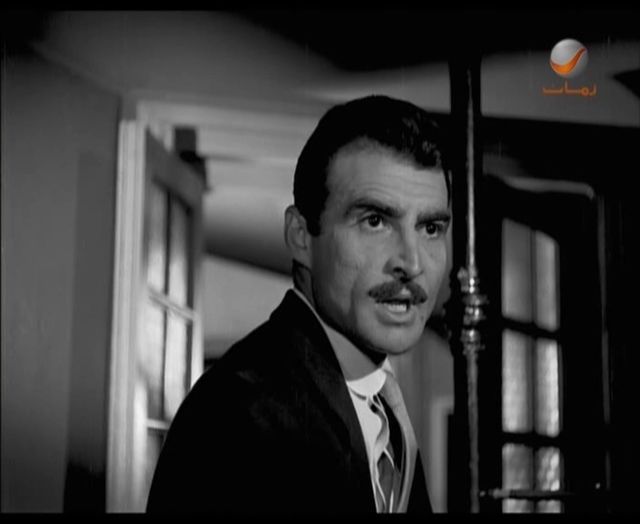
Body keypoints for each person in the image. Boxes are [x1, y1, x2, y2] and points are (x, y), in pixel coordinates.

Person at [146, 95, 451, 514]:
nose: (412, 264)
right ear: (301, 236)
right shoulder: (238, 417)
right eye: (375, 221)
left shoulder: (377, 397)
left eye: (431, 227)